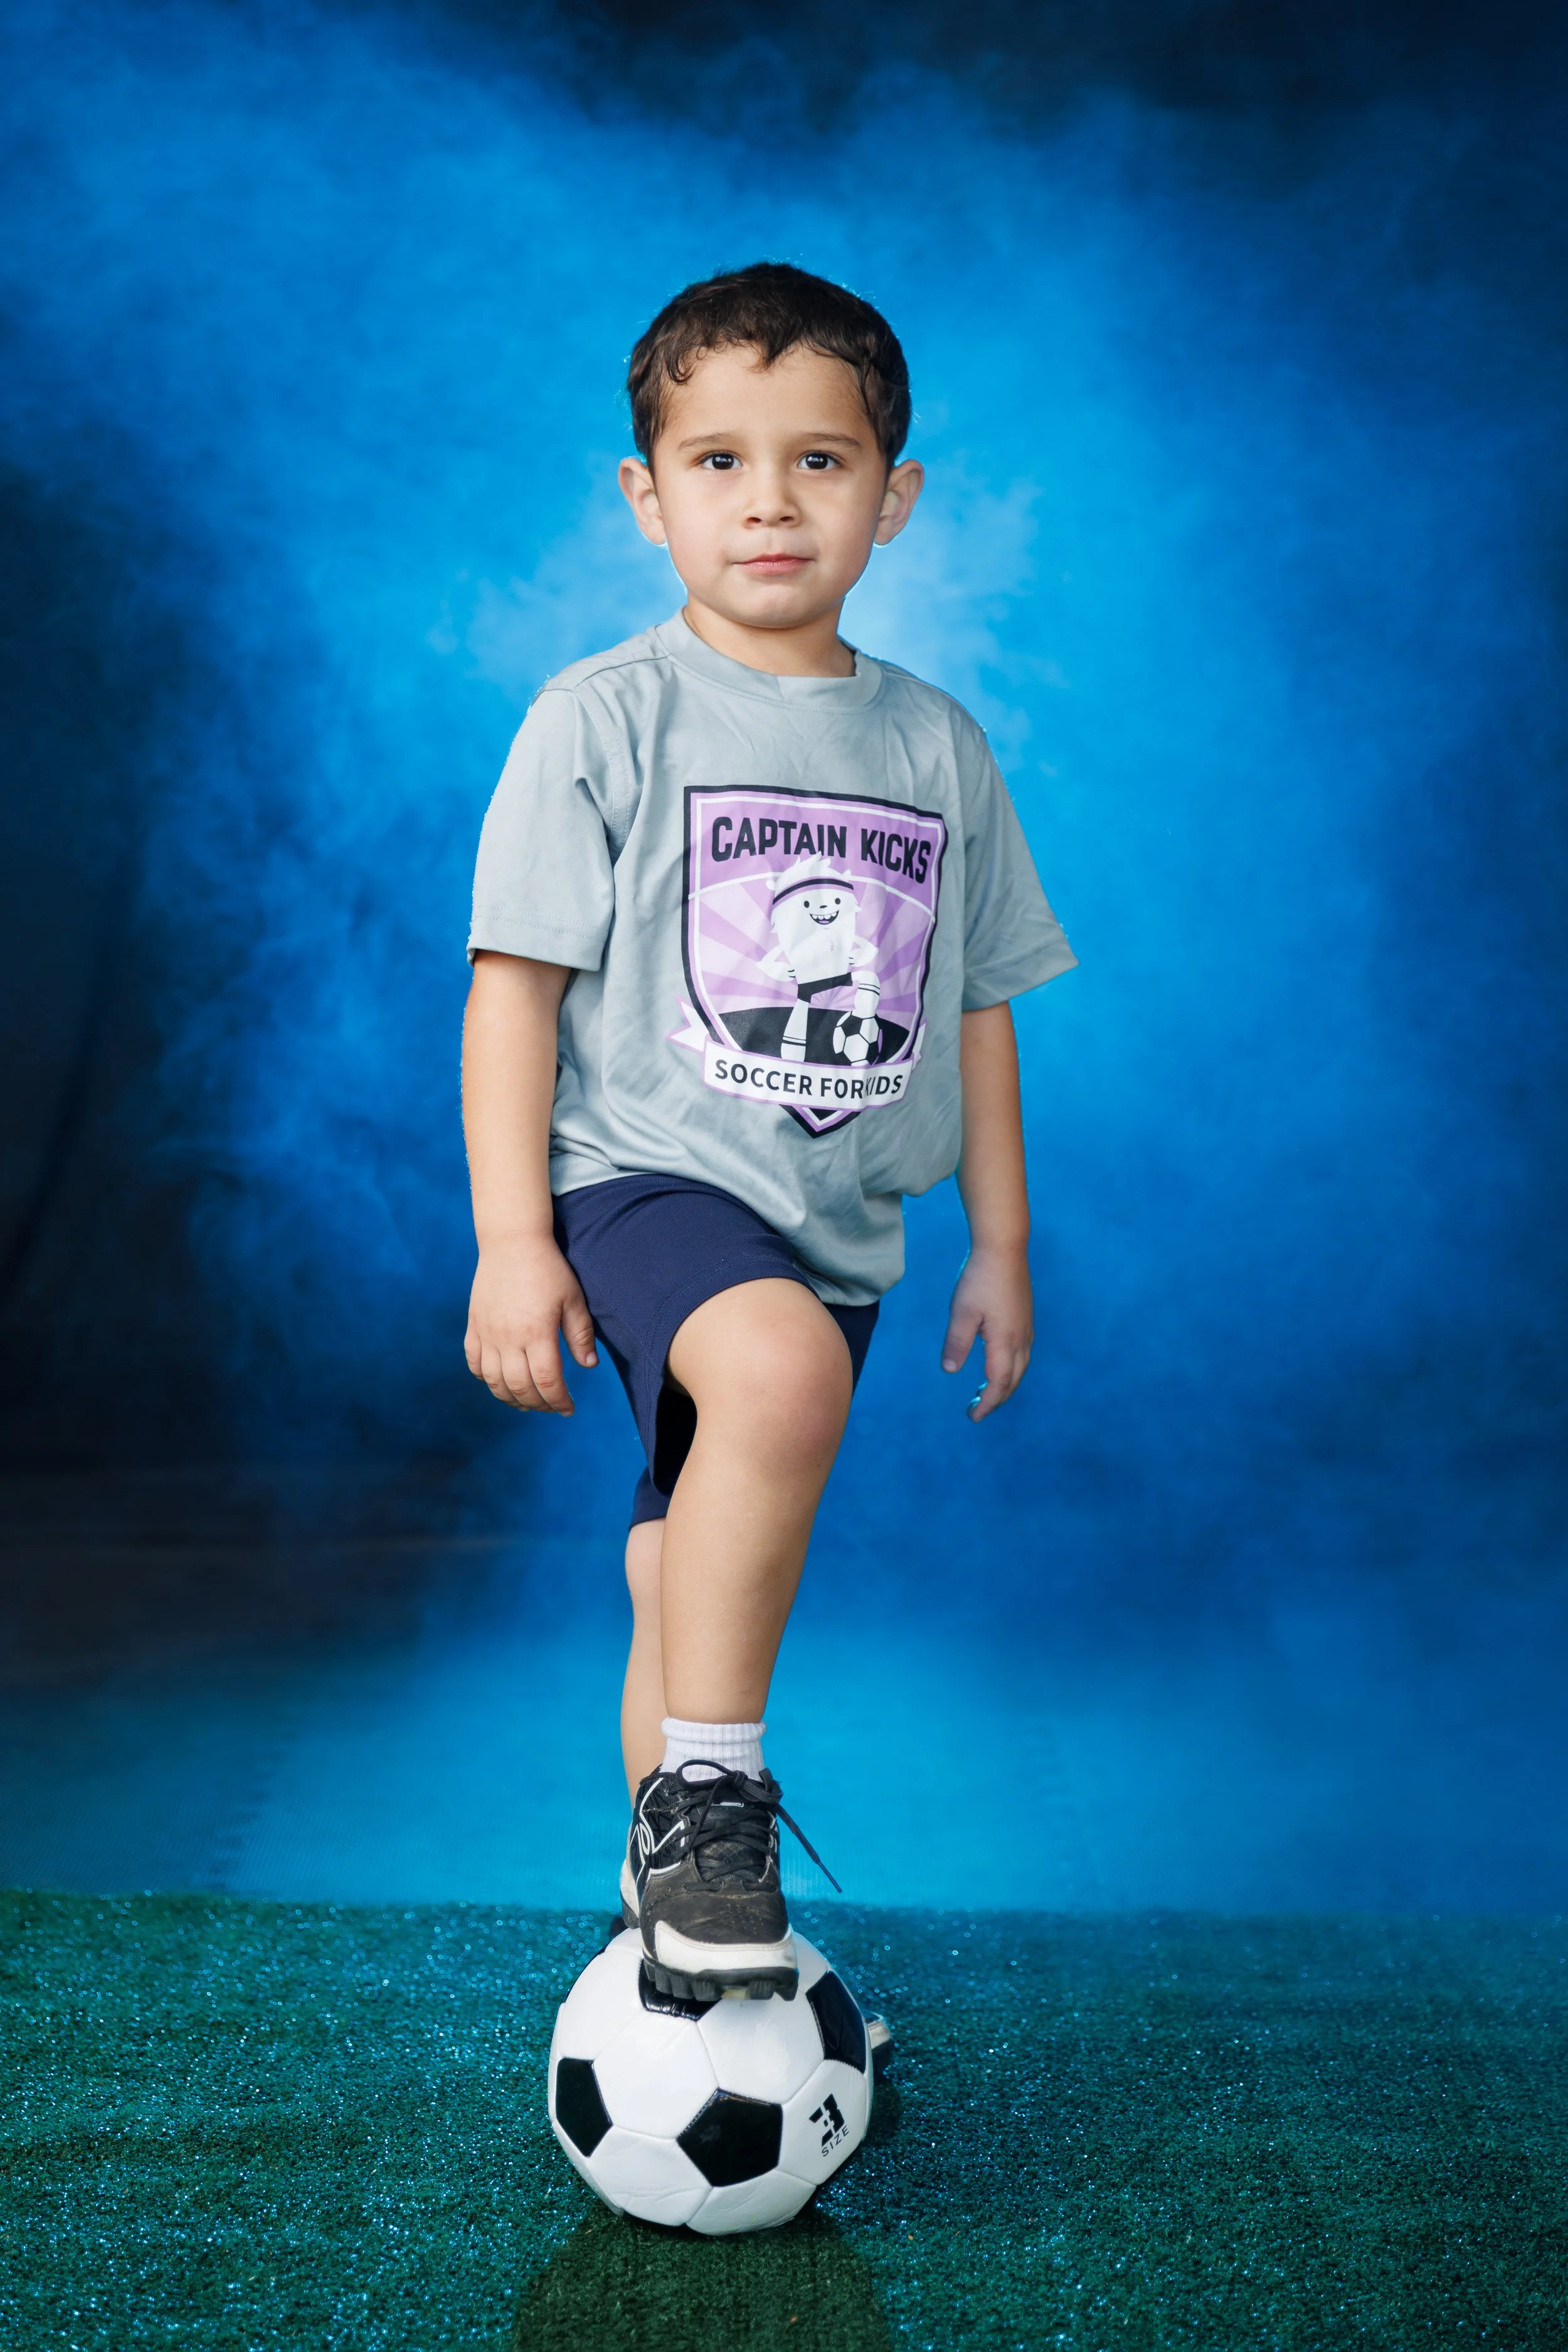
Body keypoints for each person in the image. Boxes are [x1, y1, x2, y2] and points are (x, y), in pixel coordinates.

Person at [462, 262, 1076, 2001]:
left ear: (894, 496)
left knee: (681, 1558)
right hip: (645, 1176)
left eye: (818, 460)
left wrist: (1002, 1243)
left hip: (841, 1211)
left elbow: (976, 1004)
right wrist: (516, 1238)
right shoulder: (604, 717)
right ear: (644, 496)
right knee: (782, 1383)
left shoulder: (935, 743)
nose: (769, 501)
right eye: (718, 461)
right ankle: (712, 1798)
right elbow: (511, 991)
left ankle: (655, 1882)